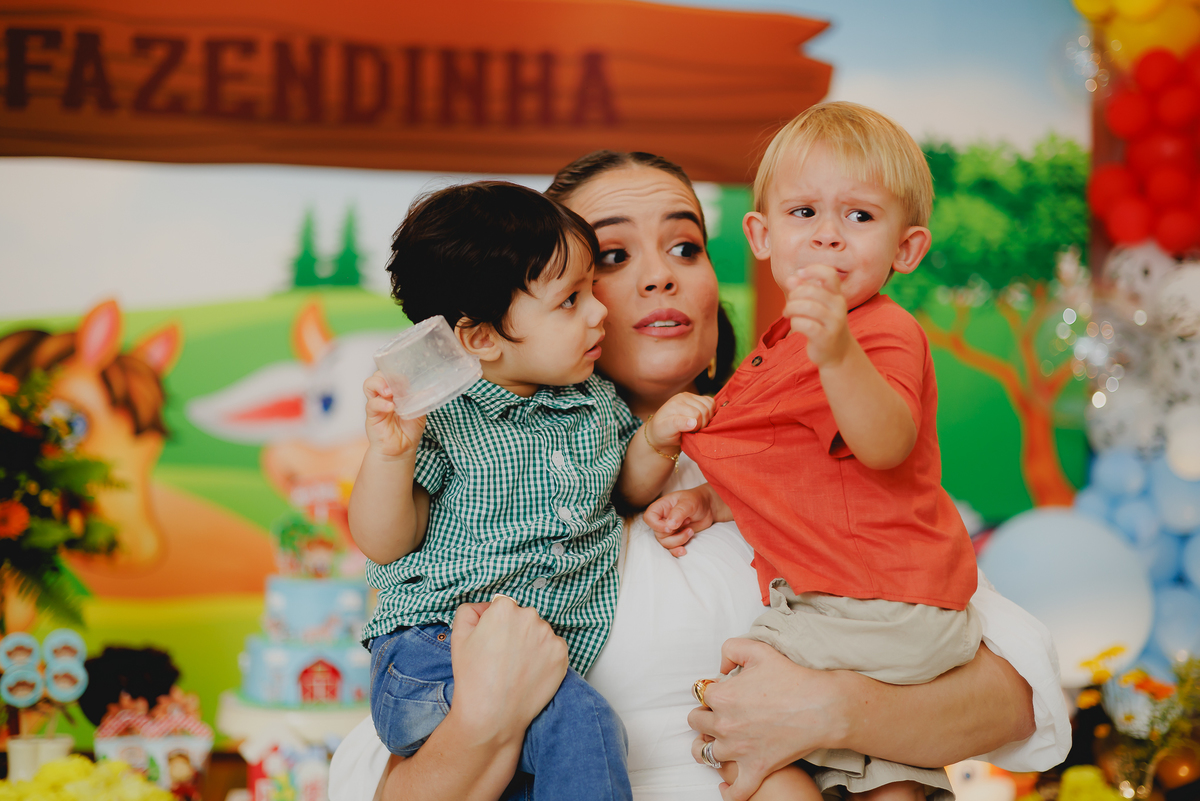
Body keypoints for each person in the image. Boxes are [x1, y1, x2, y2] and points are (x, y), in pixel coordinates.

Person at [330, 151, 1070, 801]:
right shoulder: (482, 500)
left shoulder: (826, 458)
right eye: (610, 259)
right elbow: (380, 781)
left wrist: (832, 711)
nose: (661, 276)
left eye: (686, 247)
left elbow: (1018, 692)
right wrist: (484, 720)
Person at [646, 102, 982, 801]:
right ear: (762, 235)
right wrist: (711, 500)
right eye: (804, 213)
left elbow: (885, 443)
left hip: (874, 602)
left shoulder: (878, 333)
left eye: (859, 216)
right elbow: (797, 467)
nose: (829, 235)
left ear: (906, 249)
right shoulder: (786, 345)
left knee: (740, 713)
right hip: (887, 607)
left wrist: (838, 352)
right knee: (883, 764)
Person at [347, 181, 713, 800]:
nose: (598, 311)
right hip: (433, 651)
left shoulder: (593, 402)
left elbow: (624, 489)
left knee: (533, 770)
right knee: (585, 723)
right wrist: (392, 455)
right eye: (570, 300)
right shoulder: (445, 416)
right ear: (481, 338)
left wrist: (655, 440)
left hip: (529, 665)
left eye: (591, 288)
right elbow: (386, 542)